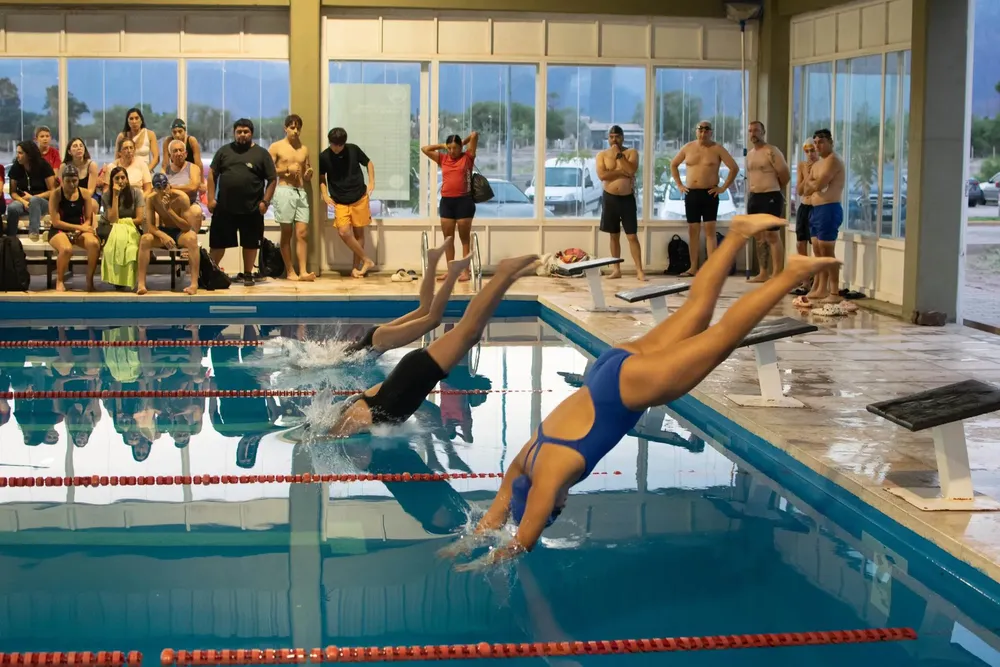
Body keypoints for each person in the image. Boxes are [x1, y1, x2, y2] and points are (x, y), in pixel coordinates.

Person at [442, 214, 839, 569]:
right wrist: (464, 545)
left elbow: (521, 542)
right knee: (696, 311)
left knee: (724, 337)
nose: (564, 504)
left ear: (549, 505)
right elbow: (495, 515)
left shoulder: (549, 480)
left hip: (624, 391)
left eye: (557, 509)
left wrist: (491, 559)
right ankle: (735, 235)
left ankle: (789, 275)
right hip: (607, 369)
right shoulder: (524, 463)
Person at [319, 253, 539, 439]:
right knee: (469, 333)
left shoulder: (354, 415)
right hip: (416, 373)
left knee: (467, 331)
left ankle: (503, 274)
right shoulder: (364, 407)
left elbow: (330, 437)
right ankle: (507, 278)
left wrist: (320, 438)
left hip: (417, 371)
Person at [343, 237, 464, 357]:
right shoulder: (344, 355)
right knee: (425, 309)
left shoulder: (349, 360)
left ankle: (450, 272)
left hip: (377, 343)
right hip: (375, 337)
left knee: (433, 320)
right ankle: (432, 261)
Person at [207, 118, 277, 287]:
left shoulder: (261, 154)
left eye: (246, 131)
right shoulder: (224, 151)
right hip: (225, 207)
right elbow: (212, 174)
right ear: (234, 133)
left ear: (251, 133)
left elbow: (272, 179)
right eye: (239, 132)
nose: (242, 134)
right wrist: (210, 198)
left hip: (252, 207)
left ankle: (248, 274)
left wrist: (265, 202)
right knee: (218, 243)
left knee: (250, 243)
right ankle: (210, 273)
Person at [669, 120, 739, 276]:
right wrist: (679, 185)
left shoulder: (717, 149)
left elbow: (734, 168)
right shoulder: (687, 148)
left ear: (711, 132)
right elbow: (673, 164)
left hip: (710, 194)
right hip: (692, 193)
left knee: (710, 231)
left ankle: (710, 269)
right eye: (700, 130)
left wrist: (723, 188)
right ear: (696, 131)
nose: (703, 133)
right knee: (693, 231)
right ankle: (693, 267)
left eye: (706, 130)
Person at [422, 132, 479, 282]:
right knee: (448, 239)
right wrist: (442, 145)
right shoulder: (443, 158)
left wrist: (462, 143)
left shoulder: (467, 157)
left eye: (455, 148)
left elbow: (474, 135)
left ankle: (465, 271)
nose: (452, 151)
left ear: (460, 147)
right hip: (447, 202)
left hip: (464, 202)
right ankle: (451, 271)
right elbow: (425, 149)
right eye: (450, 148)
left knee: (464, 239)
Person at [319, 127, 375, 278]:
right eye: (333, 144)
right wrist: (324, 194)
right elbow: (321, 177)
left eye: (340, 145)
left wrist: (371, 182)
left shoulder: (353, 150)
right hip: (340, 201)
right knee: (343, 231)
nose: (336, 148)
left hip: (359, 197)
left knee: (359, 234)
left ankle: (356, 269)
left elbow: (369, 163)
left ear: (344, 143)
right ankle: (366, 259)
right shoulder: (324, 156)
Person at [800, 129, 846, 306]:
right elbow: (804, 189)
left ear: (830, 143)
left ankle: (834, 291)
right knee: (818, 251)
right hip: (815, 210)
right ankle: (821, 288)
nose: (818, 146)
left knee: (827, 252)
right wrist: (813, 184)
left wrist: (814, 184)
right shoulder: (818, 164)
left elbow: (819, 185)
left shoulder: (833, 160)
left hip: (829, 209)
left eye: (821, 142)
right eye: (816, 142)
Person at [138, 173, 201, 296]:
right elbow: (151, 226)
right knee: (145, 239)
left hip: (179, 232)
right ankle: (141, 284)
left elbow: (187, 226)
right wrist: (163, 235)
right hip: (163, 231)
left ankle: (194, 284)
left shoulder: (181, 197)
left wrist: (169, 210)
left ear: (169, 185)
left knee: (192, 238)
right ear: (154, 189)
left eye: (165, 186)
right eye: (159, 188)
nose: (163, 190)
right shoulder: (151, 199)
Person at [269, 114, 315, 281]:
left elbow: (307, 169)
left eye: (298, 128)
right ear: (285, 128)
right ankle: (290, 271)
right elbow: (269, 170)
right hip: (284, 190)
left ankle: (303, 271)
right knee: (287, 232)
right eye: (292, 127)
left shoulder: (304, 149)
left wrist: (308, 173)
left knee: (302, 233)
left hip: (300, 192)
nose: (295, 131)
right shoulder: (276, 147)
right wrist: (286, 170)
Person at [596, 125, 644, 281]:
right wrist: (620, 172)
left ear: (622, 137)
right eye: (611, 137)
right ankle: (616, 269)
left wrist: (619, 156)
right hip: (610, 198)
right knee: (614, 235)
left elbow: (631, 170)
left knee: (632, 236)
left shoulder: (631, 153)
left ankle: (639, 270)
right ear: (608, 138)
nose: (614, 140)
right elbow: (602, 175)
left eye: (617, 136)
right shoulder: (602, 155)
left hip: (626, 198)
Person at [745, 121, 790, 282]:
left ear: (763, 132)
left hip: (771, 196)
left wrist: (775, 189)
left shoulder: (772, 151)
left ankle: (777, 274)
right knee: (759, 236)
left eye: (756, 130)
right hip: (754, 197)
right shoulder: (750, 154)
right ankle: (763, 272)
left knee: (772, 235)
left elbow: (785, 175)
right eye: (750, 131)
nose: (753, 133)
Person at [47, 164, 100, 292]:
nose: (72, 184)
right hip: (59, 230)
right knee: (66, 249)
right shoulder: (56, 194)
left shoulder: (85, 193)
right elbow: (56, 222)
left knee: (94, 244)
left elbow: (88, 219)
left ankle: (89, 280)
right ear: (62, 180)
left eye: (74, 181)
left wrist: (81, 229)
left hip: (79, 230)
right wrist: (79, 228)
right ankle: (60, 280)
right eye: (68, 181)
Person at [99, 166, 145, 289]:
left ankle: (126, 279)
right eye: (117, 178)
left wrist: (122, 223)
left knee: (130, 249)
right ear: (112, 181)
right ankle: (115, 278)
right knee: (116, 241)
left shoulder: (136, 193)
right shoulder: (107, 195)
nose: (120, 181)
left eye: (123, 177)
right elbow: (113, 220)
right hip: (109, 227)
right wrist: (115, 195)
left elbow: (139, 219)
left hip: (131, 227)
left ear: (127, 179)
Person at [6, 140, 56, 241]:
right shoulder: (16, 167)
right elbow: (13, 192)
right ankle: (10, 238)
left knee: (34, 200)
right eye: (17, 153)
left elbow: (53, 191)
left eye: (20, 153)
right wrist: (24, 201)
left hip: (43, 202)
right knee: (12, 208)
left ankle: (34, 233)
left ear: (29, 155)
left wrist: (33, 197)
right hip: (24, 202)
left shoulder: (43, 165)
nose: (17, 156)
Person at [164, 139, 203, 209]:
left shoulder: (193, 168)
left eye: (181, 150)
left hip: (190, 204)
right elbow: (161, 189)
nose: (179, 153)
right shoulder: (165, 170)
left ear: (186, 154)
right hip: (170, 205)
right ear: (170, 156)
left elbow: (193, 187)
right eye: (175, 151)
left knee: (196, 210)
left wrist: (171, 188)